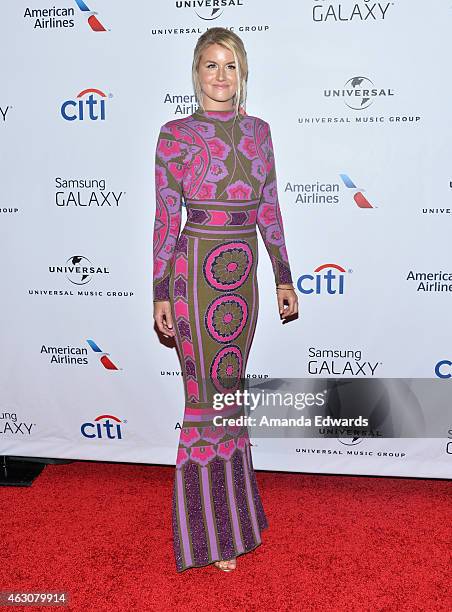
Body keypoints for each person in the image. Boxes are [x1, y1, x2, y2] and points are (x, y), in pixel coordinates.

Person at [152, 27, 298, 573]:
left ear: (243, 73)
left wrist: (284, 277)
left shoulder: (259, 133)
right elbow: (166, 218)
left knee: (228, 399)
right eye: (210, 65)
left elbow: (270, 210)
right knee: (203, 401)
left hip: (243, 282)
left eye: (230, 65)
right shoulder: (174, 136)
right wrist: (160, 290)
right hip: (194, 276)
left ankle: (237, 519)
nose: (220, 76)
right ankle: (207, 537)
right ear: (196, 73)